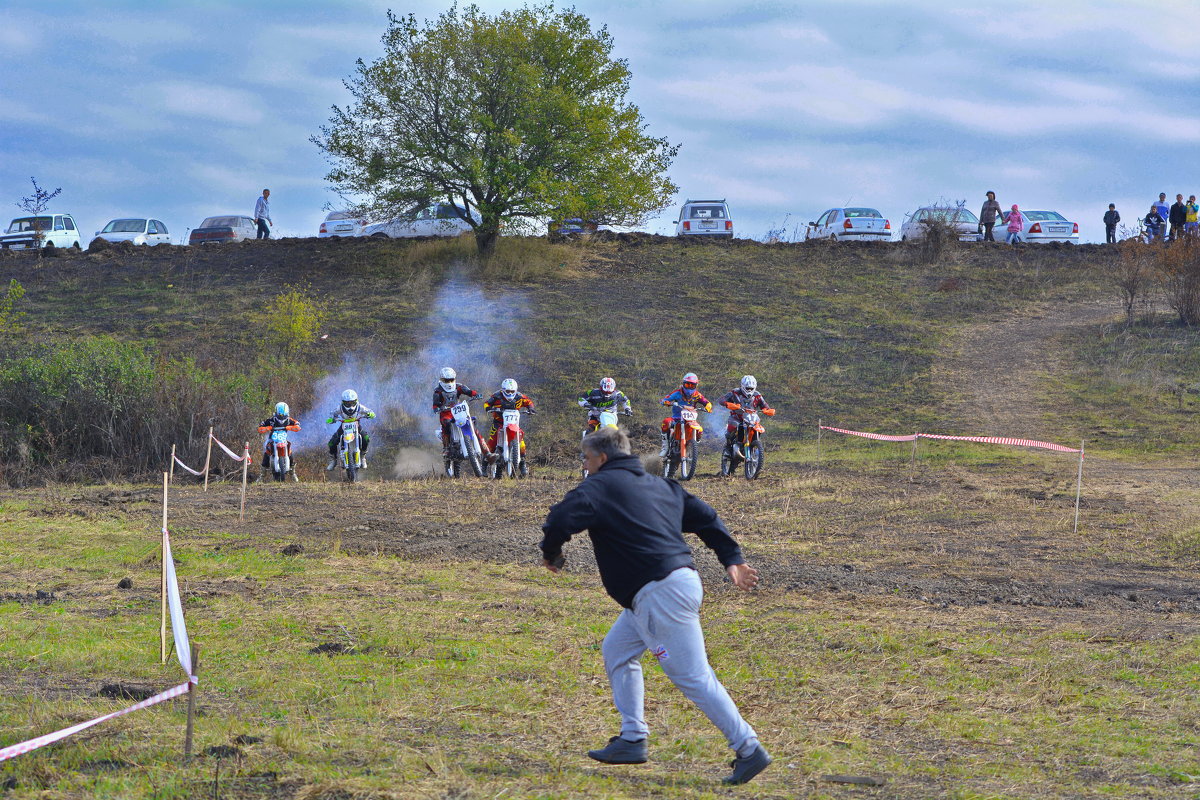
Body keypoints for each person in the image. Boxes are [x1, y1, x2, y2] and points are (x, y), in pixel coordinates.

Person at [540, 426, 771, 786]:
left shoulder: (597, 488)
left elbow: (559, 519)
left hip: (658, 593)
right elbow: (707, 517)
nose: (584, 466)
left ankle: (748, 747)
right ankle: (632, 739)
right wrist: (732, 558)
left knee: (693, 676)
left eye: (586, 458)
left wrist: (551, 553)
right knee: (617, 650)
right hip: (670, 586)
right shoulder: (660, 486)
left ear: (601, 458)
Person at [433, 367, 489, 458]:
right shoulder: (438, 391)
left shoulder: (459, 386)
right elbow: (435, 404)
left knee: (471, 422)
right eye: (446, 380)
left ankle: (484, 450)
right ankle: (446, 448)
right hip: (445, 413)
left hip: (458, 411)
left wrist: (476, 395)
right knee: (446, 424)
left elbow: (469, 391)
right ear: (442, 380)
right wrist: (436, 408)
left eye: (451, 380)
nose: (449, 383)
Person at [717, 376, 775, 460]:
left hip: (751, 418)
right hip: (737, 417)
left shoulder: (757, 395)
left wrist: (767, 410)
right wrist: (728, 404)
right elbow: (721, 400)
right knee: (731, 429)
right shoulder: (735, 392)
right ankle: (728, 449)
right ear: (743, 386)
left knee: (757, 427)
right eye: (747, 388)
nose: (749, 390)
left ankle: (755, 446)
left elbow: (764, 405)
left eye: (751, 388)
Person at [659, 372, 713, 458]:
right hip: (677, 418)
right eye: (687, 385)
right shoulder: (677, 393)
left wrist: (708, 407)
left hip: (690, 419)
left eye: (692, 386)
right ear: (683, 384)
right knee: (666, 422)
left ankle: (692, 445)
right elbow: (666, 399)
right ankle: (665, 447)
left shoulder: (697, 395)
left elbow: (706, 402)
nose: (690, 387)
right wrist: (666, 402)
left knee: (700, 430)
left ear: (696, 386)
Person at [482, 378, 535, 460]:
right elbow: (487, 403)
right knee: (492, 441)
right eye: (508, 391)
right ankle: (484, 463)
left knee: (521, 442)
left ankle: (523, 463)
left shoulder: (519, 397)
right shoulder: (496, 396)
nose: (510, 393)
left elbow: (529, 402)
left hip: (514, 423)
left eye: (512, 391)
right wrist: (488, 408)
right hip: (499, 422)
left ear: (516, 390)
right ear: (503, 390)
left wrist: (531, 408)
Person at [326, 389, 375, 469]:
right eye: (347, 403)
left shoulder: (360, 407)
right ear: (343, 402)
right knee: (332, 443)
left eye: (352, 402)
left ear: (356, 401)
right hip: (343, 426)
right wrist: (331, 419)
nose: (350, 405)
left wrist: (370, 414)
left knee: (366, 439)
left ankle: (362, 457)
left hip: (356, 425)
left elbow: (369, 411)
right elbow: (332, 414)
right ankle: (333, 460)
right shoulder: (340, 408)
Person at [258, 402, 300, 472]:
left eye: (283, 412)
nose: (281, 415)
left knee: (289, 450)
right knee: (267, 450)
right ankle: (262, 473)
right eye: (280, 412)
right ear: (276, 411)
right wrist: (266, 427)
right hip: (272, 439)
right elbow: (262, 424)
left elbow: (297, 423)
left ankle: (293, 471)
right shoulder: (272, 420)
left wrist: (293, 427)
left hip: (282, 439)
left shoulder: (288, 420)